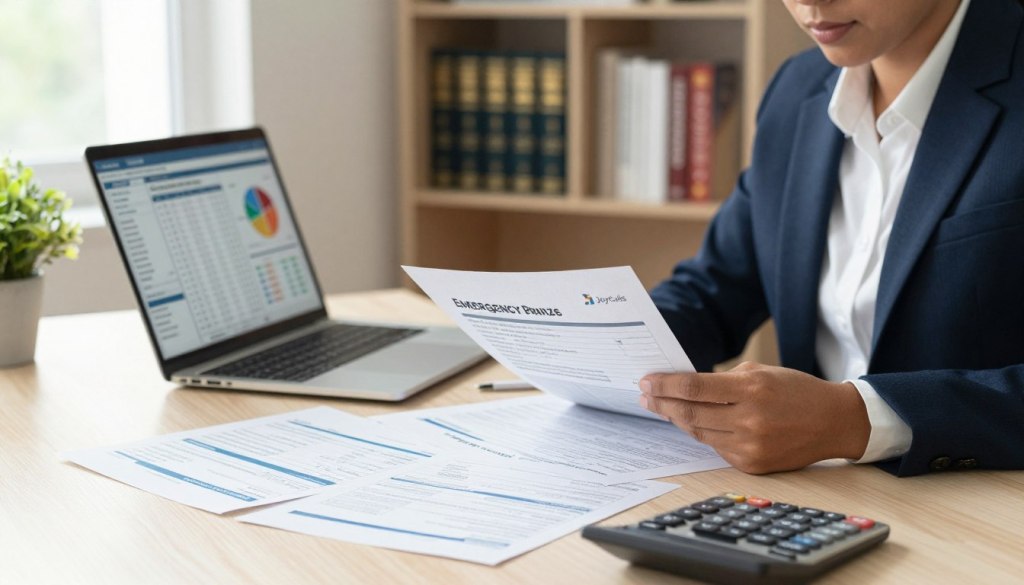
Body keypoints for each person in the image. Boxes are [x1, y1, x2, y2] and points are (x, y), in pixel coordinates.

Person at [638, 0, 1024, 477]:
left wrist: (855, 420)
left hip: (981, 518)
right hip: (819, 500)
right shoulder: (797, 88)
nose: (809, 2)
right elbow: (716, 287)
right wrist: (602, 342)